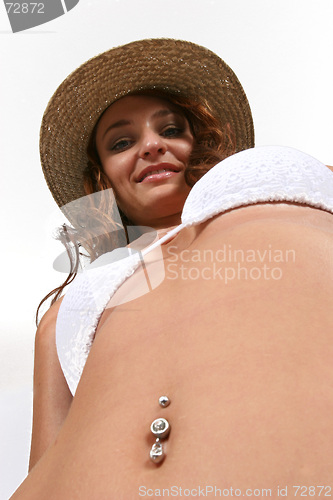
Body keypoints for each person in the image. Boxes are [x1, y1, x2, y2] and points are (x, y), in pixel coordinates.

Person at [11, 39, 333, 499]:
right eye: (122, 142)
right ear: (102, 179)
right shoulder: (65, 308)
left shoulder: (260, 189)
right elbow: (43, 470)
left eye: (171, 130)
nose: (151, 145)